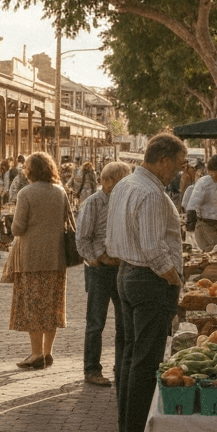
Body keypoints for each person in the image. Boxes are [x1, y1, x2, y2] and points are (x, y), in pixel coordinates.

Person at [106, 133, 188, 432]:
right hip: (148, 279)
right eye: (178, 164)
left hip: (127, 274)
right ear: (163, 160)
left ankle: (128, 430)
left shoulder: (125, 184)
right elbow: (154, 250)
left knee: (131, 356)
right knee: (145, 360)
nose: (179, 171)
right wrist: (173, 278)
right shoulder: (151, 192)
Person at [9, 152, 70, 370]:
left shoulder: (26, 193)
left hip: (31, 258)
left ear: (30, 171)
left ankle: (36, 354)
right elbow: (68, 220)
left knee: (33, 306)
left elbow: (18, 228)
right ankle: (47, 352)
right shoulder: (60, 192)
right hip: (56, 258)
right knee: (51, 306)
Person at [76, 161, 131, 387]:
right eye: (121, 181)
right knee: (96, 322)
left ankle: (121, 366)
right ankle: (92, 369)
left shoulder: (126, 202)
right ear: (107, 181)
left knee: (123, 323)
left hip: (122, 268)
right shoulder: (93, 203)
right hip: (100, 271)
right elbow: (82, 238)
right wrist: (96, 258)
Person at [184, 153, 217, 250]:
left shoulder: (215, 183)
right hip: (204, 226)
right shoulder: (205, 182)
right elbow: (193, 205)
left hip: (211, 226)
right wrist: (190, 230)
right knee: (213, 251)